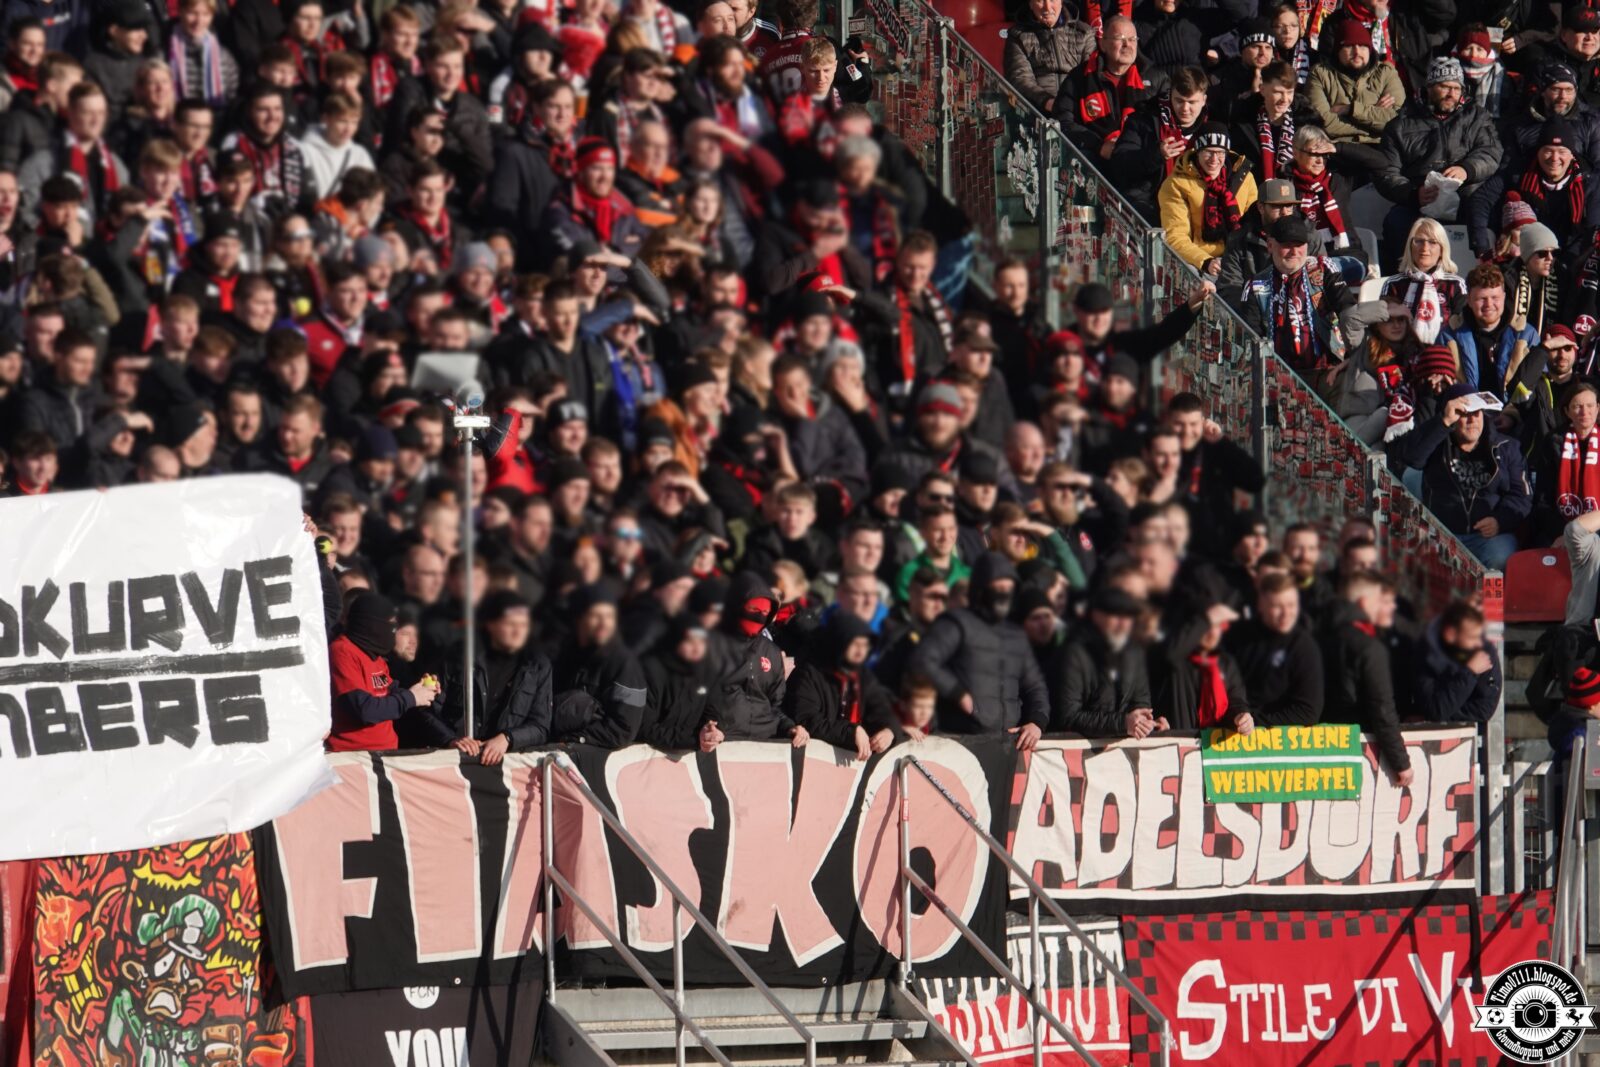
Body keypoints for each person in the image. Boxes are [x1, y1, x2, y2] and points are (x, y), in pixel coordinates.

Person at [907, 551, 1049, 749]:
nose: (1003, 594)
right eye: (998, 588)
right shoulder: (956, 623)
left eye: (1009, 588)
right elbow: (923, 660)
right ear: (981, 589)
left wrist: (1037, 722)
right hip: (960, 743)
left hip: (1009, 746)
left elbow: (1035, 685)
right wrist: (957, 692)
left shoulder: (1016, 634)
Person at [1375, 56, 1503, 268]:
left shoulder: (1477, 117)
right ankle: (1400, 282)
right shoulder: (1400, 124)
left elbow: (1491, 152)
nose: (1451, 93)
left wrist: (1467, 169)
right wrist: (1414, 194)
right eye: (1444, 86)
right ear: (1430, 86)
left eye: (1456, 87)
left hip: (1466, 197)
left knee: (1488, 218)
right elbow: (1386, 172)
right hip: (1419, 201)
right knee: (1395, 222)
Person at [1397, 384, 1531, 570]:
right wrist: (1442, 422)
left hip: (1487, 537)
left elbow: (1521, 496)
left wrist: (1500, 521)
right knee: (1413, 555)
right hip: (1441, 533)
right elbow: (1410, 458)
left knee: (1502, 556)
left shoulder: (1507, 447)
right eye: (1464, 413)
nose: (1472, 420)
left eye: (1477, 413)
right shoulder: (1436, 442)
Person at [427, 590, 553, 761]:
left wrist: (507, 738)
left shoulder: (537, 665)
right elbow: (428, 709)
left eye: (523, 625)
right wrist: (451, 740)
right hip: (457, 760)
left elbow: (540, 725)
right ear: (491, 625)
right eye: (510, 624)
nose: (518, 632)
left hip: (507, 765)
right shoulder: (460, 656)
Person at [1321, 570, 1411, 785]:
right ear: (1364, 602)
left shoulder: (1319, 634)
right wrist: (1401, 763)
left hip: (1320, 745)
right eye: (1383, 601)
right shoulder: (1369, 648)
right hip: (1359, 750)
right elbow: (1382, 708)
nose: (1390, 607)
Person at [328, 592, 438, 751]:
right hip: (354, 756)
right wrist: (411, 697)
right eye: (390, 625)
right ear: (371, 624)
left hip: (385, 752)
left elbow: (388, 692)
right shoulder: (342, 651)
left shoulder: (375, 656)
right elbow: (364, 710)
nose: (392, 631)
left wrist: (422, 691)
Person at [786, 612, 896, 759]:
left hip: (854, 767)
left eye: (865, 646)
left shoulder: (863, 676)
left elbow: (883, 709)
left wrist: (889, 731)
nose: (860, 651)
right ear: (840, 642)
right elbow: (807, 720)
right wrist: (850, 732)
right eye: (856, 644)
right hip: (813, 761)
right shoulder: (809, 673)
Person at [1109, 65, 1209, 225]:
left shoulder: (1211, 128)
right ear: (1170, 95)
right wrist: (1156, 155)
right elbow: (1119, 164)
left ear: (1204, 100)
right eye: (1179, 101)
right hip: (1151, 202)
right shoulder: (1144, 119)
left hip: (1196, 203)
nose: (1185, 108)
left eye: (1192, 102)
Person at [1051, 585, 1156, 736]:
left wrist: (1146, 721)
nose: (1123, 624)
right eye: (1116, 617)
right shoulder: (1075, 653)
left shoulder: (1134, 652)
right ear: (1096, 616)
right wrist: (1122, 723)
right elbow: (1068, 716)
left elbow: (1140, 701)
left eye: (1128, 618)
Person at [1053, 16, 1161, 161]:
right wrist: (1098, 145)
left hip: (1140, 160)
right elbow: (1063, 121)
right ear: (1103, 44)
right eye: (1119, 38)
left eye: (1132, 39)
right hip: (1095, 158)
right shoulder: (1080, 77)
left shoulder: (1156, 79)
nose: (1127, 44)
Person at [1157, 122, 1258, 275]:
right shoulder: (1176, 184)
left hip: (1240, 257)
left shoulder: (1244, 178)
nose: (1214, 159)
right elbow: (1175, 235)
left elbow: (1254, 224)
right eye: (1208, 152)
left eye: (1220, 153)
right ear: (1197, 151)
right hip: (1200, 262)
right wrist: (1205, 261)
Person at [1225, 572, 1324, 725]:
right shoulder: (1237, 637)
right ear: (1261, 605)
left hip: (1280, 743)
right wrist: (1237, 716)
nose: (1286, 614)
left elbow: (1308, 711)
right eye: (1277, 606)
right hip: (1230, 730)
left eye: (1291, 605)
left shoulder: (1303, 646)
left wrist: (1255, 723)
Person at [1412, 599, 1502, 724]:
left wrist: (1439, 716)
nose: (1478, 643)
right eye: (1472, 637)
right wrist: (1469, 672)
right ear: (1450, 634)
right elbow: (1435, 710)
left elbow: (1483, 709)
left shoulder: (1484, 652)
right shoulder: (1427, 654)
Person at [1003, 0, 1095, 112]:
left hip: (1079, 108)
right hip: (1037, 112)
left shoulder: (1084, 32)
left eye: (1052, 0)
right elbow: (1020, 79)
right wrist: (1047, 102)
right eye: (1040, 1)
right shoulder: (1018, 36)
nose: (1047, 7)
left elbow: (1092, 75)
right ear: (1031, 4)